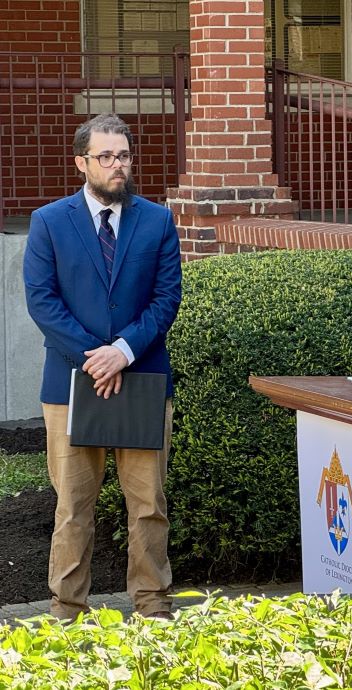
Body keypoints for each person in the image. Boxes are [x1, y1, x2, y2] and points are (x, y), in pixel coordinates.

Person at [23, 114, 182, 619]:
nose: (118, 165)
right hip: (71, 383)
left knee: (149, 507)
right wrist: (98, 357)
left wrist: (124, 352)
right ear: (81, 162)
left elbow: (166, 299)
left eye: (124, 156)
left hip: (142, 378)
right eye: (106, 156)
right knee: (72, 509)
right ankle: (67, 611)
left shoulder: (157, 220)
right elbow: (42, 302)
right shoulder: (49, 221)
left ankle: (153, 607)